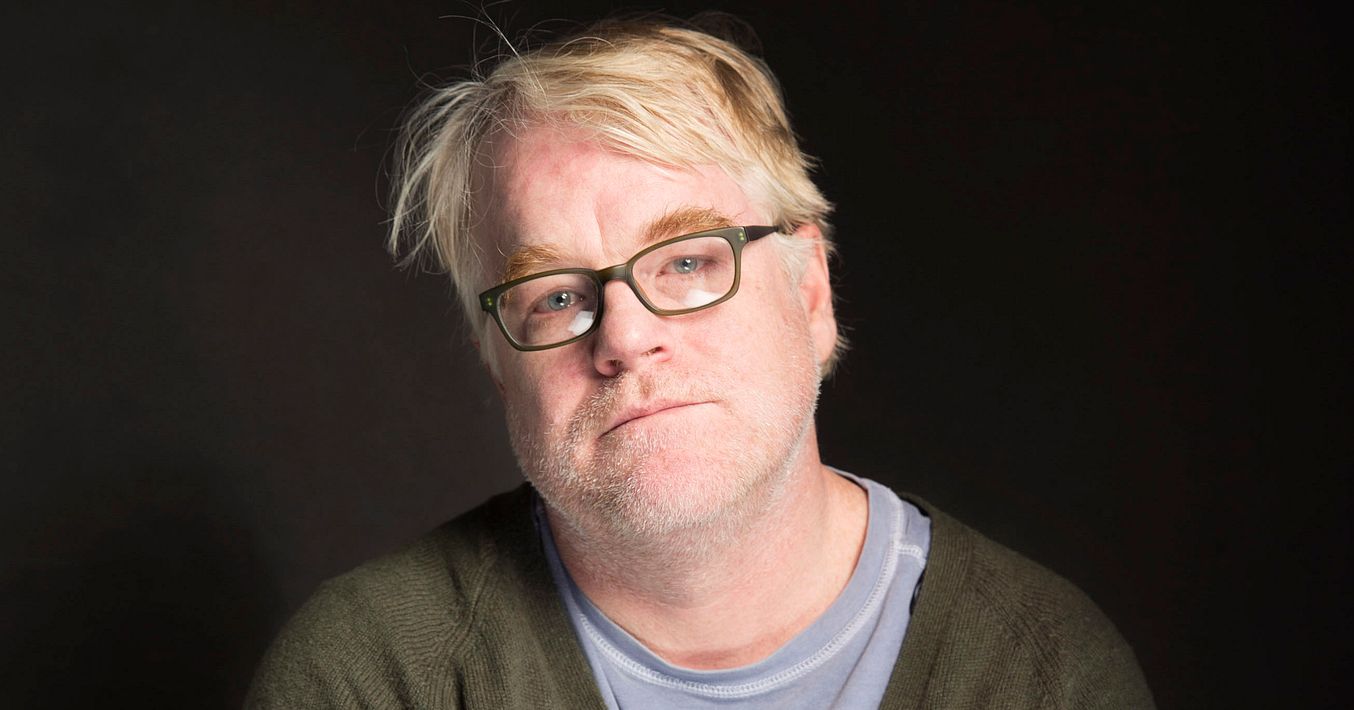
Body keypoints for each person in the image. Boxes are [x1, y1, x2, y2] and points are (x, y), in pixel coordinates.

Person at [246, 16, 1154, 709]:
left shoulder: (1043, 673)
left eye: (686, 263)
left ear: (810, 292)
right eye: (555, 296)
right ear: (498, 366)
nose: (624, 337)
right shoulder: (373, 674)